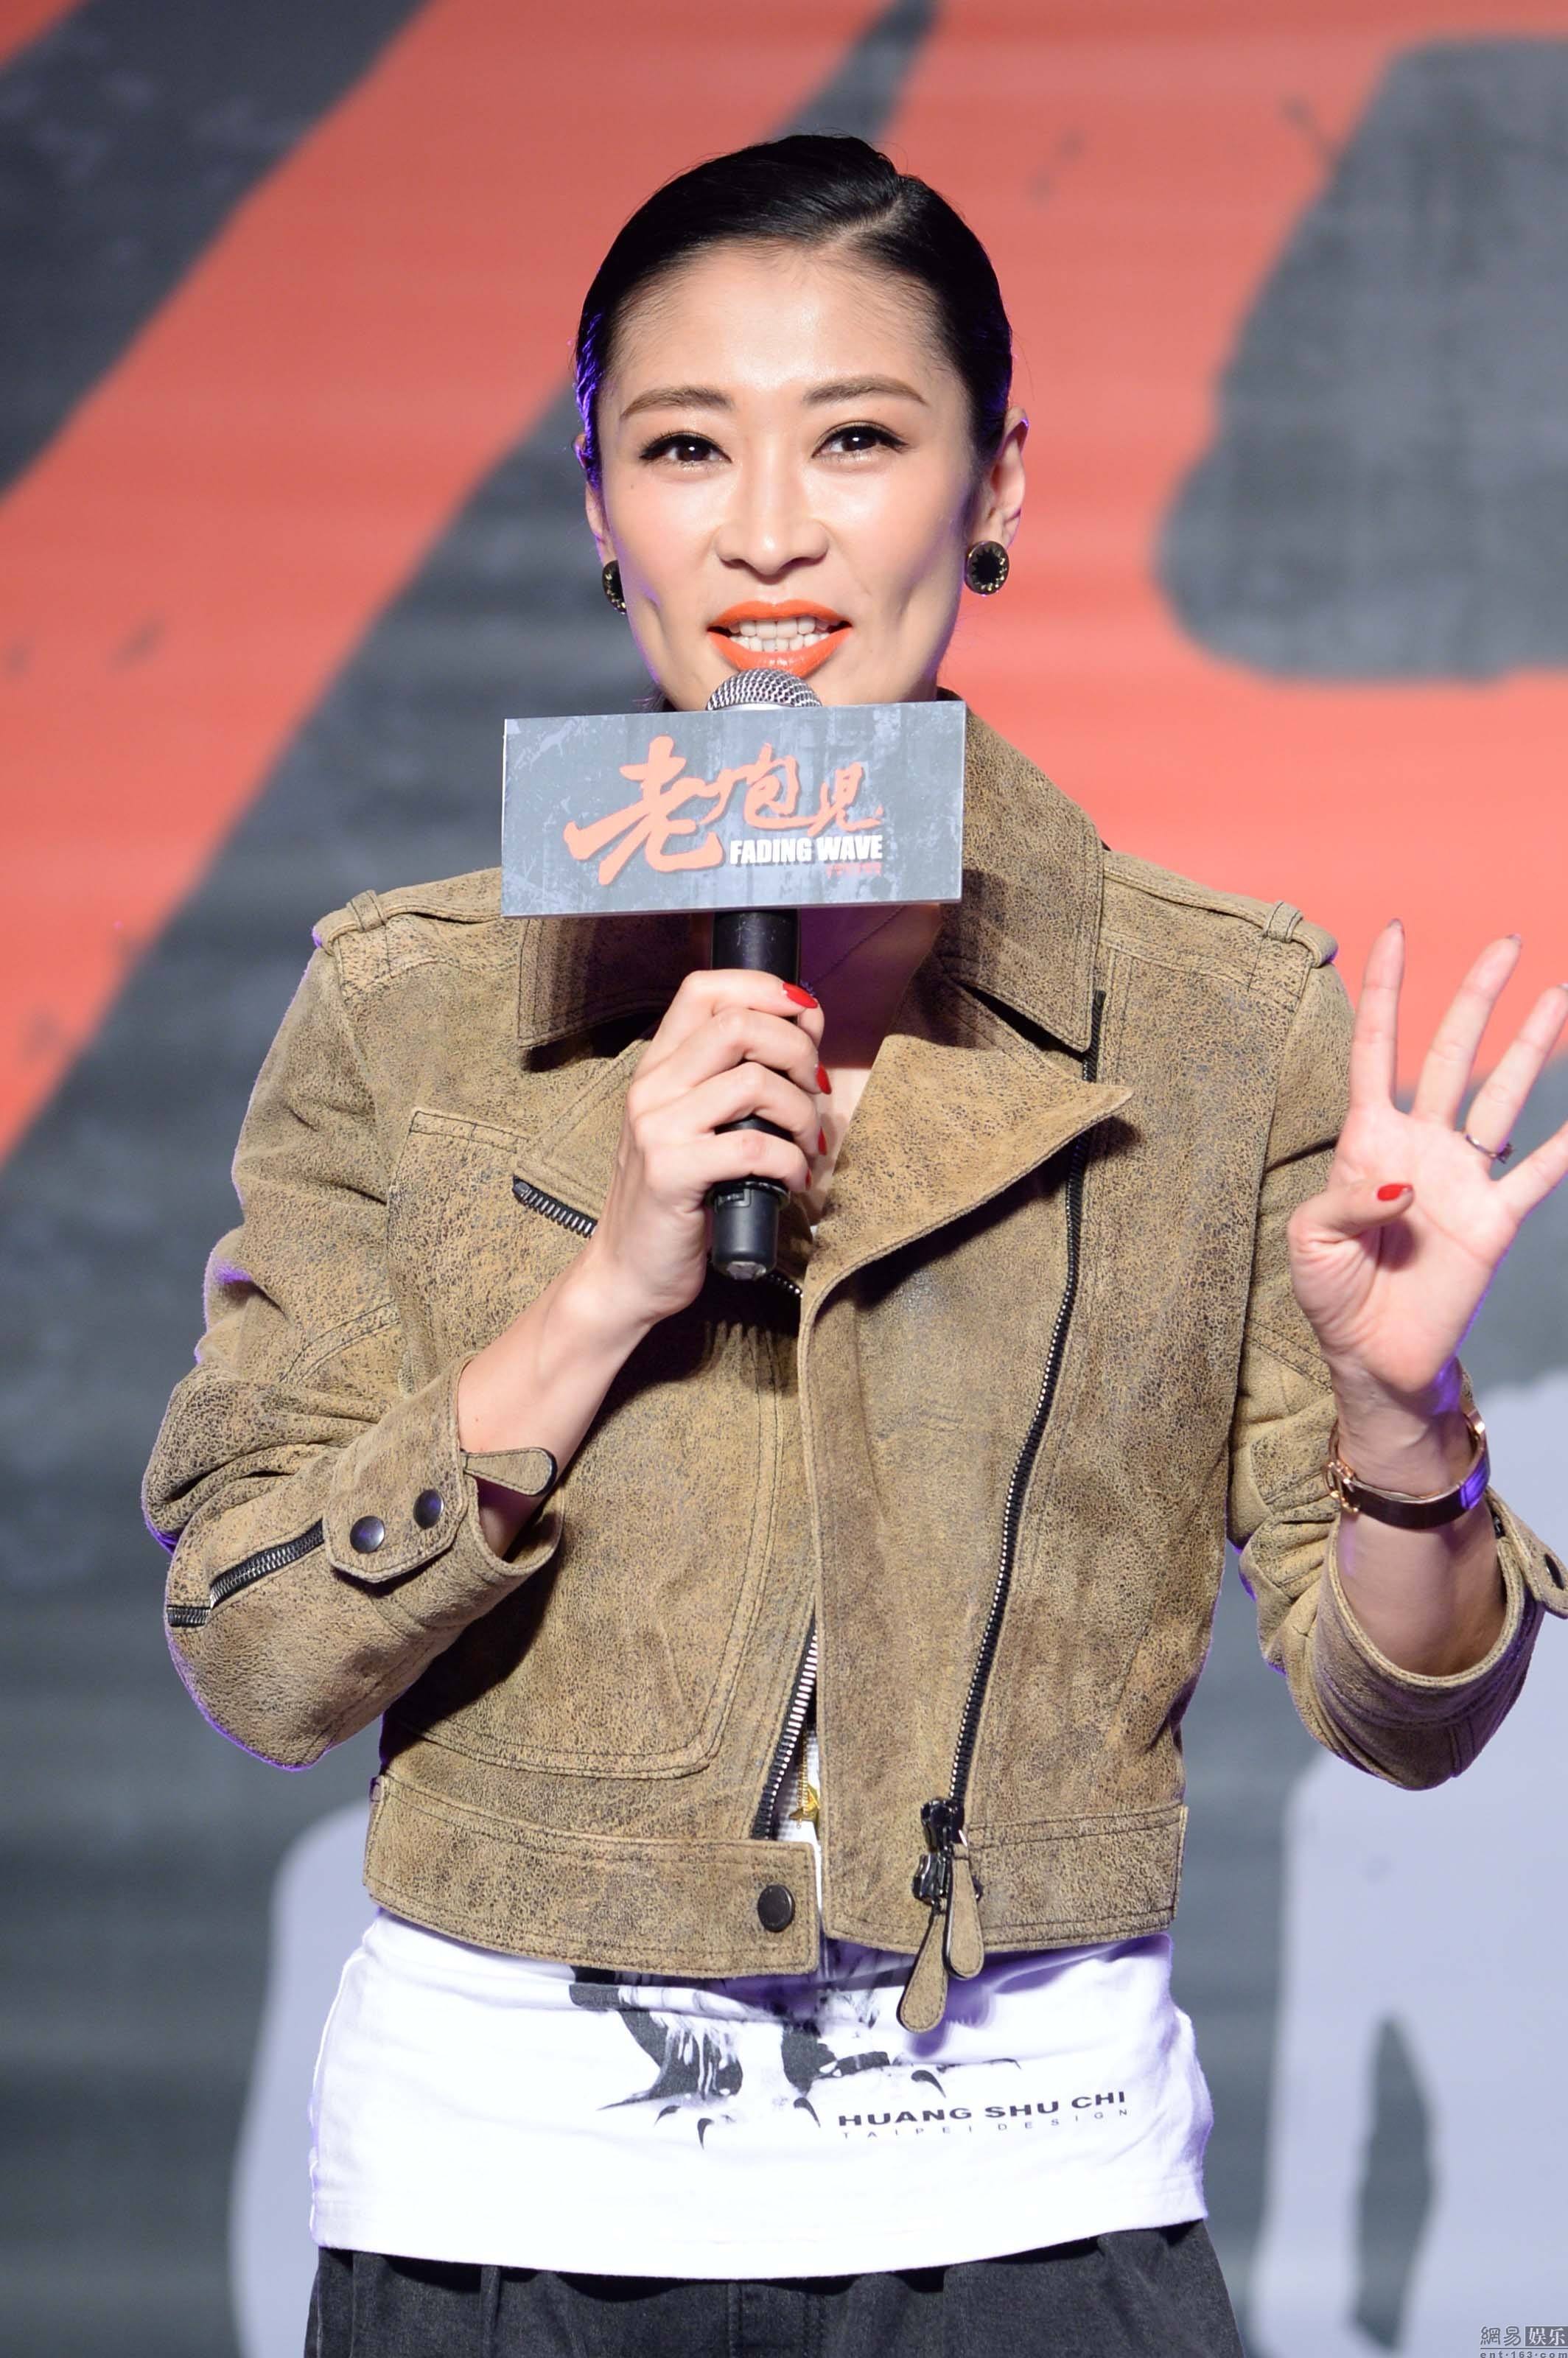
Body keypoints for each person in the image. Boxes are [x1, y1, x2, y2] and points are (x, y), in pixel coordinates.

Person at [142, 136, 1568, 2358]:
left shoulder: (1220, 1016)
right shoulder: (409, 1006)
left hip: (1032, 2232)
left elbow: (1410, 1718)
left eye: (860, 440)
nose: (770, 531)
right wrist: (606, 1286)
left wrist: (1406, 1425)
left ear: (997, 488)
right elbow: (257, 1658)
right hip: (499, 2234)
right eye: (684, 447)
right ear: (596, 503)